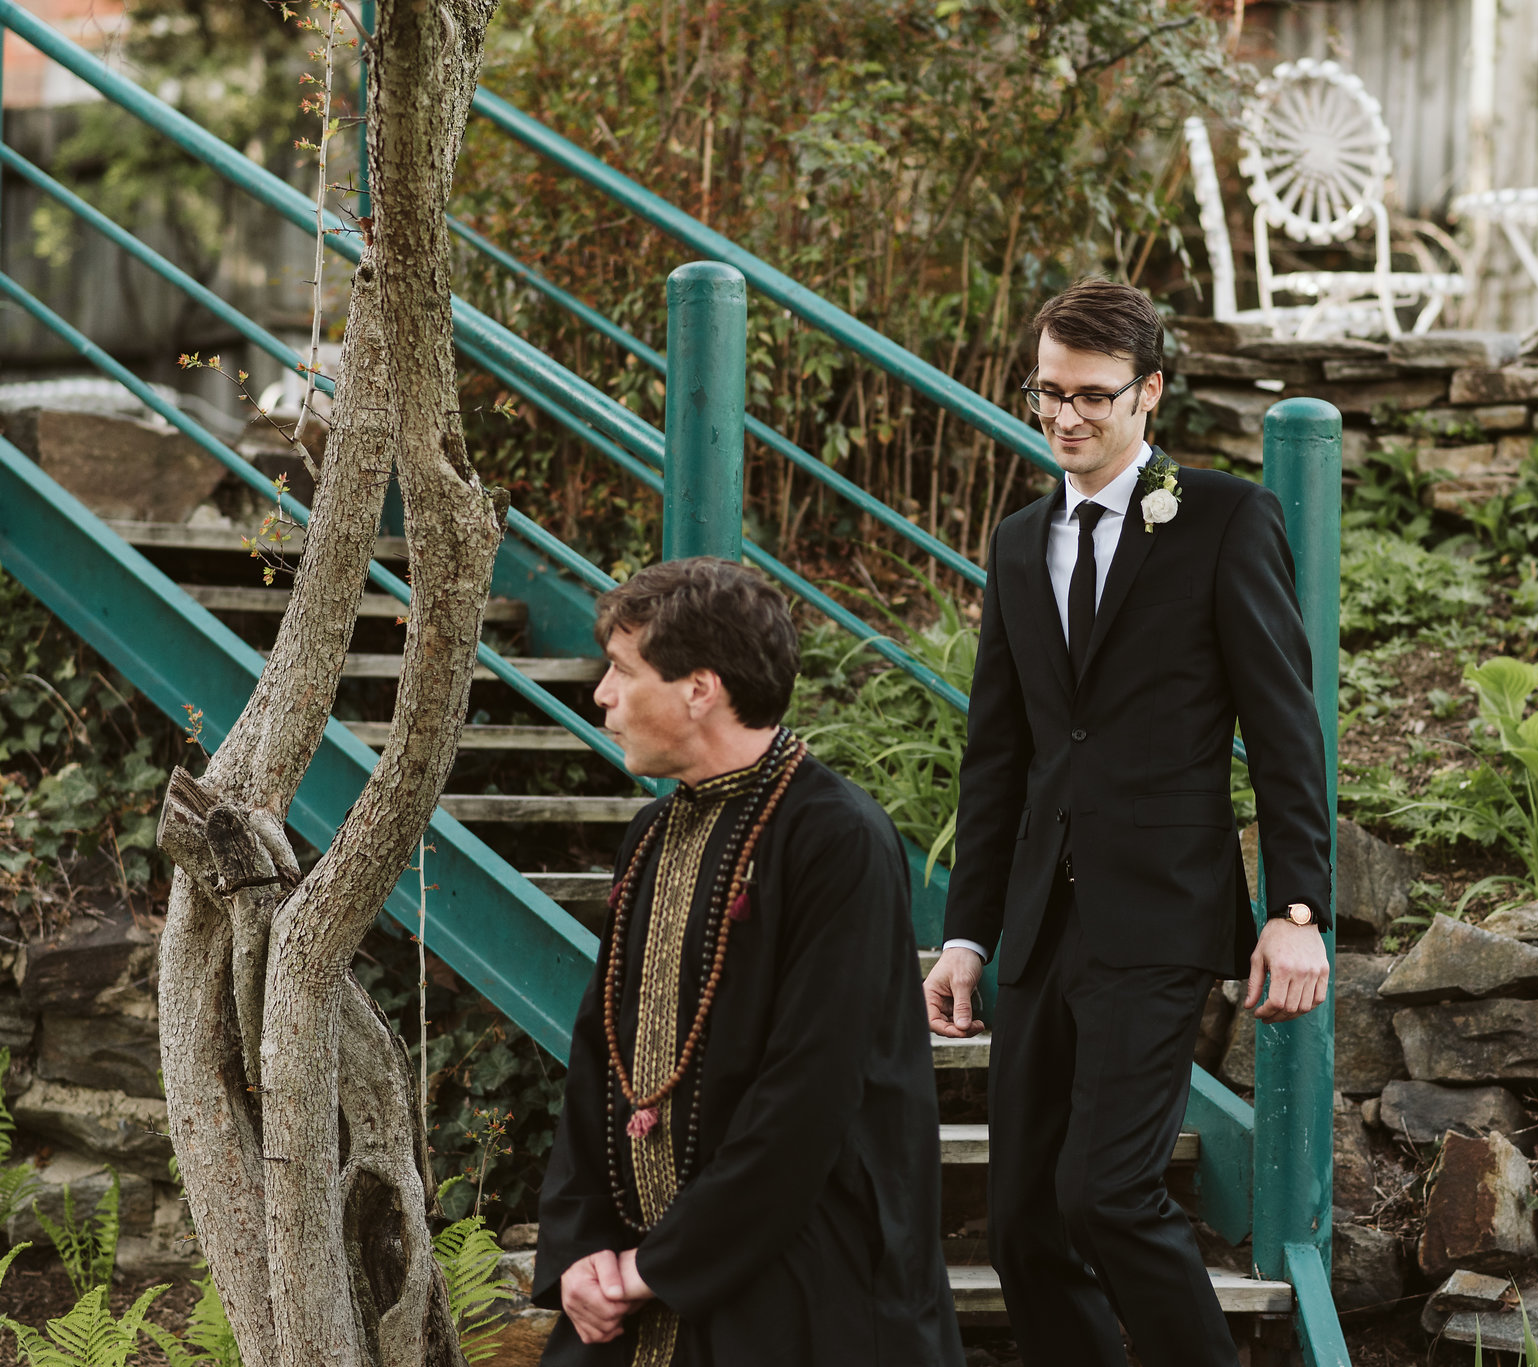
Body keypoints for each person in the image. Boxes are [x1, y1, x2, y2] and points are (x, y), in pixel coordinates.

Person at [923, 278, 1334, 1367]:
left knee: (1104, 1192)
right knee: (1017, 1224)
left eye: (1093, 396)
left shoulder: (1223, 519)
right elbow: (997, 756)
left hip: (1156, 917)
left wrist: (1295, 907)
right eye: (1046, 393)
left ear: (1148, 393)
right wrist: (967, 933)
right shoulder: (1018, 542)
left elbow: (1285, 729)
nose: (1064, 417)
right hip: (1036, 929)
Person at [534, 557, 963, 1367]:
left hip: (798, 1288)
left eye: (623, 671)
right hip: (631, 1288)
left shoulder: (836, 839)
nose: (602, 695)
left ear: (700, 688)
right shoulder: (652, 835)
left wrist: (657, 1266)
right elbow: (598, 1058)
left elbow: (811, 1091)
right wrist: (585, 1245)